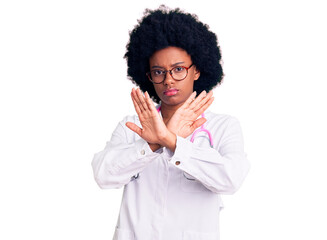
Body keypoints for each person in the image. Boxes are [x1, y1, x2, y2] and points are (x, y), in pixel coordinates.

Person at [92, 5, 250, 240]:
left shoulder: (223, 127)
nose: (168, 80)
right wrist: (152, 145)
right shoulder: (131, 126)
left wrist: (171, 141)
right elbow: (103, 175)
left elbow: (230, 180)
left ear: (197, 70)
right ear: (148, 76)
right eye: (158, 72)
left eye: (178, 69)